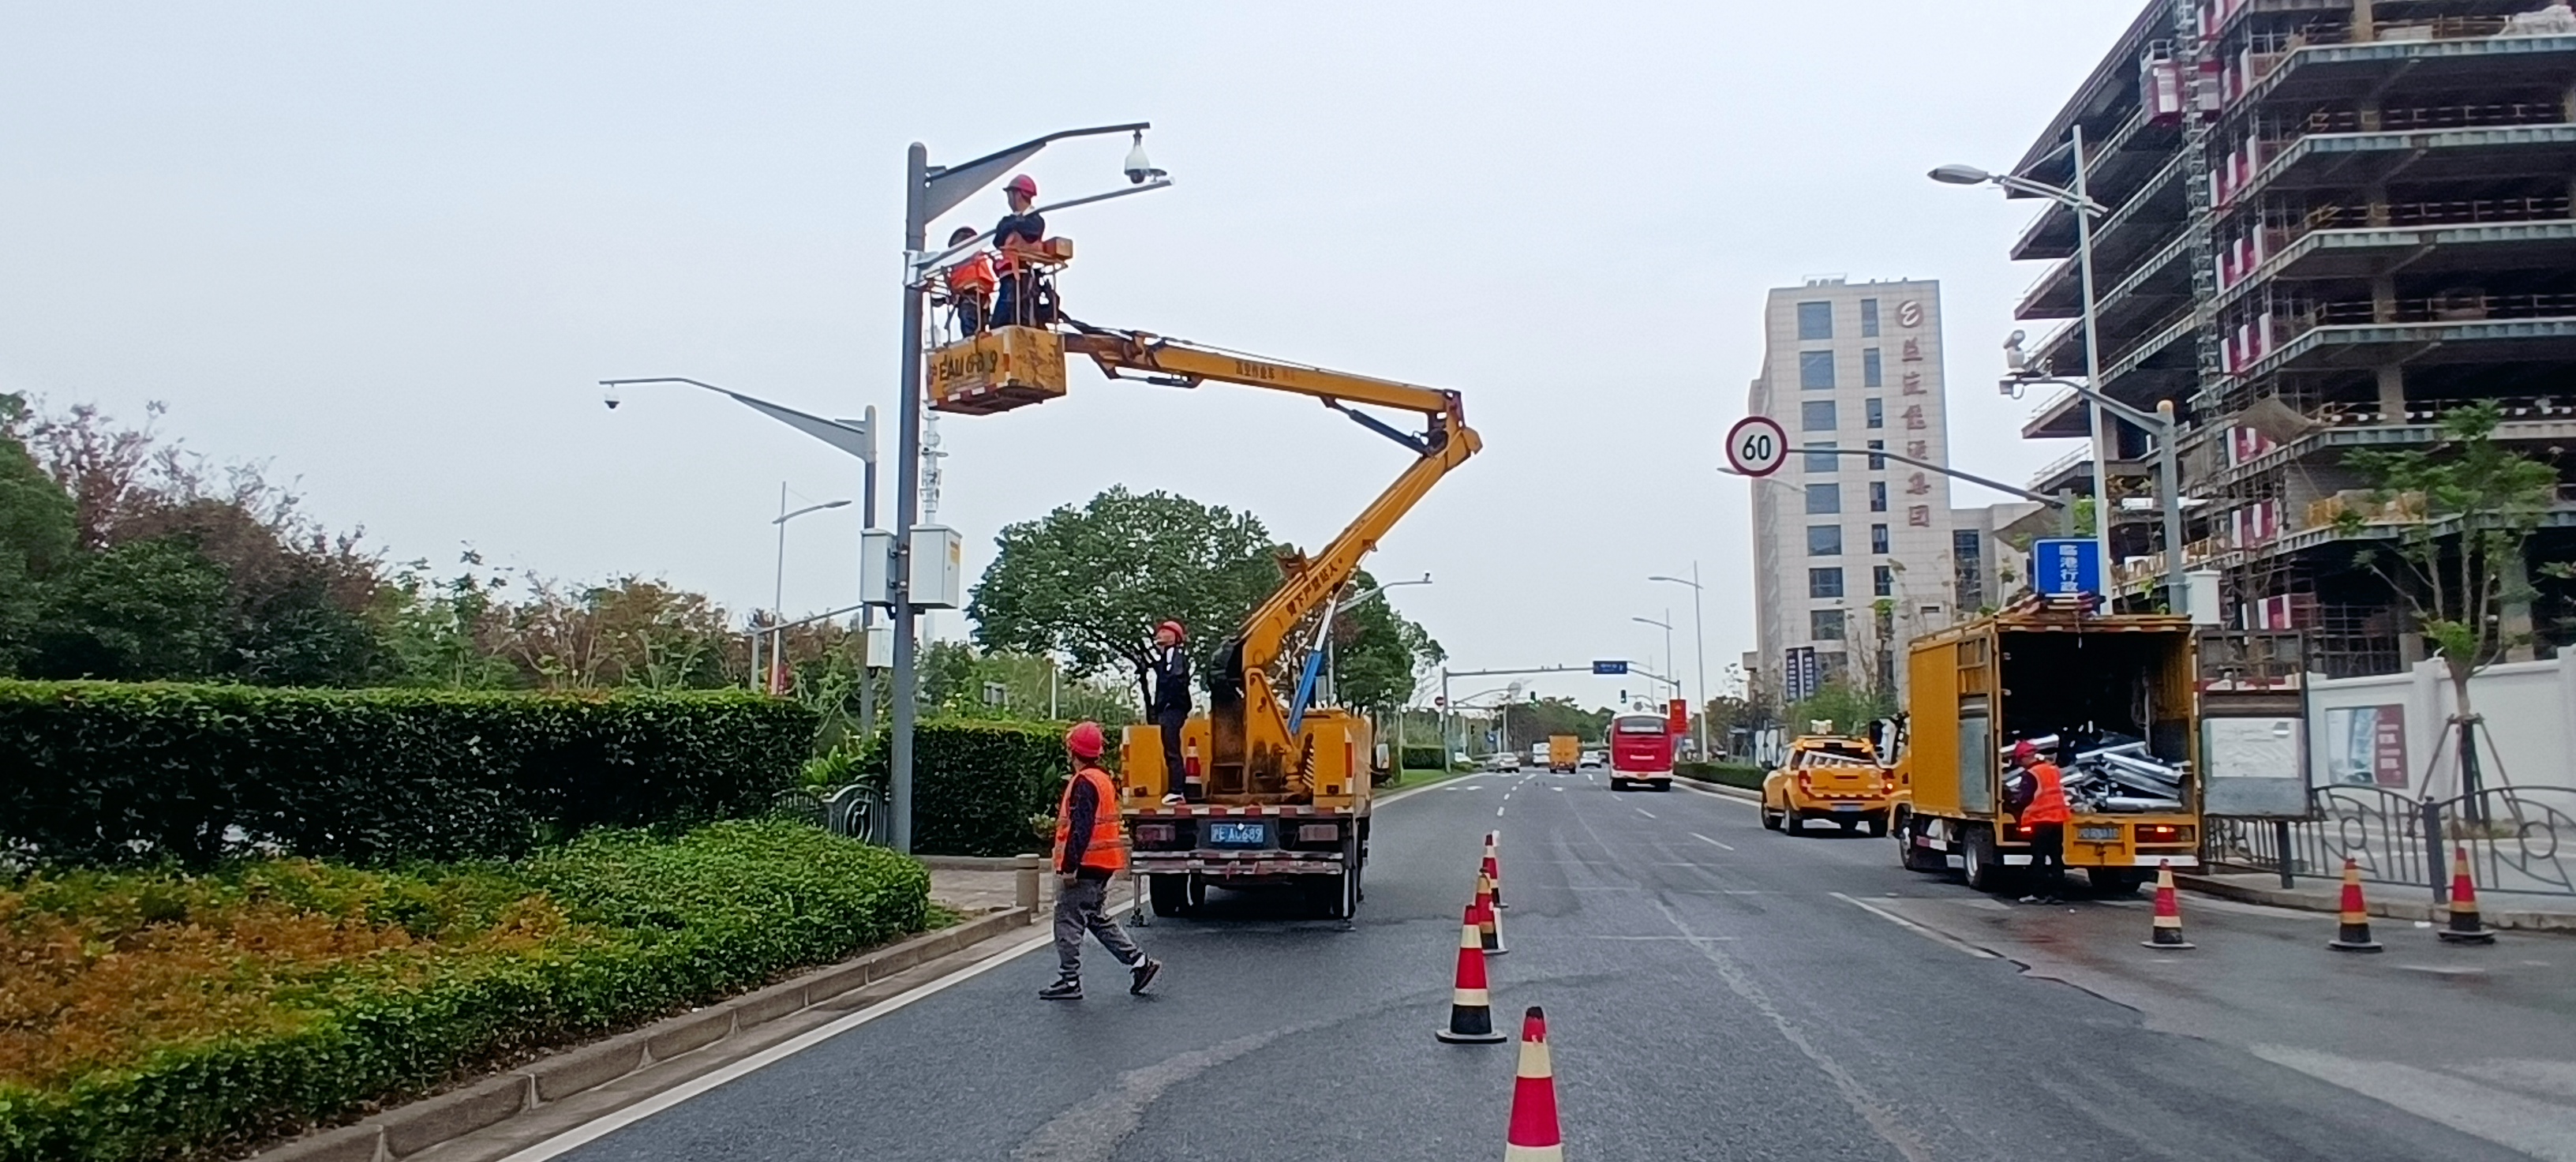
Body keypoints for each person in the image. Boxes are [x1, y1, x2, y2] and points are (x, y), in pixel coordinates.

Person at [1041, 721, 1161, 1000]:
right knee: (1095, 918)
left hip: (1084, 865)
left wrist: (1069, 867)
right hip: (1102, 864)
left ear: (1073, 751)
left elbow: (1080, 829)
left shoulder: (1084, 782)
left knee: (1067, 919)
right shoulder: (1103, 780)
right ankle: (1139, 963)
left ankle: (1070, 980)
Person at [2010, 740, 2072, 904]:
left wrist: (2013, 803)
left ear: (2024, 757)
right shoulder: (2052, 770)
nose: (2020, 764)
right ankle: (2058, 894)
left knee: (2039, 858)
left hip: (2040, 820)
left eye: (2019, 760)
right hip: (2058, 819)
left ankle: (2038, 894)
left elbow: (2025, 798)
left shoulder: (2031, 774)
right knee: (2056, 857)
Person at [990, 174, 1051, 328]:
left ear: (1017, 194)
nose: (1008, 200)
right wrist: (1014, 224)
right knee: (1003, 318)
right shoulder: (1008, 221)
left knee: (1017, 315)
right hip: (1009, 274)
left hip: (1023, 274)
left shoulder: (1035, 220)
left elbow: (1030, 232)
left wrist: (1014, 225)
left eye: (1009, 195)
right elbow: (998, 240)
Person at [1148, 620, 1193, 800]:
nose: (1159, 635)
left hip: (1173, 709)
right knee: (1169, 749)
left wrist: (1167, 703)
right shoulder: (1166, 658)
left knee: (1172, 749)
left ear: (1175, 637)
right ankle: (1176, 789)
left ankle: (1177, 790)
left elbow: (1176, 679)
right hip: (1169, 709)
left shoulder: (1175, 658)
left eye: (1164, 632)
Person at [941, 226, 994, 337]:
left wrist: (946, 276)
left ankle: (974, 341)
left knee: (970, 329)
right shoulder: (977, 256)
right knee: (979, 329)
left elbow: (958, 284)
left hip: (969, 294)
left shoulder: (965, 259)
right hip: (981, 294)